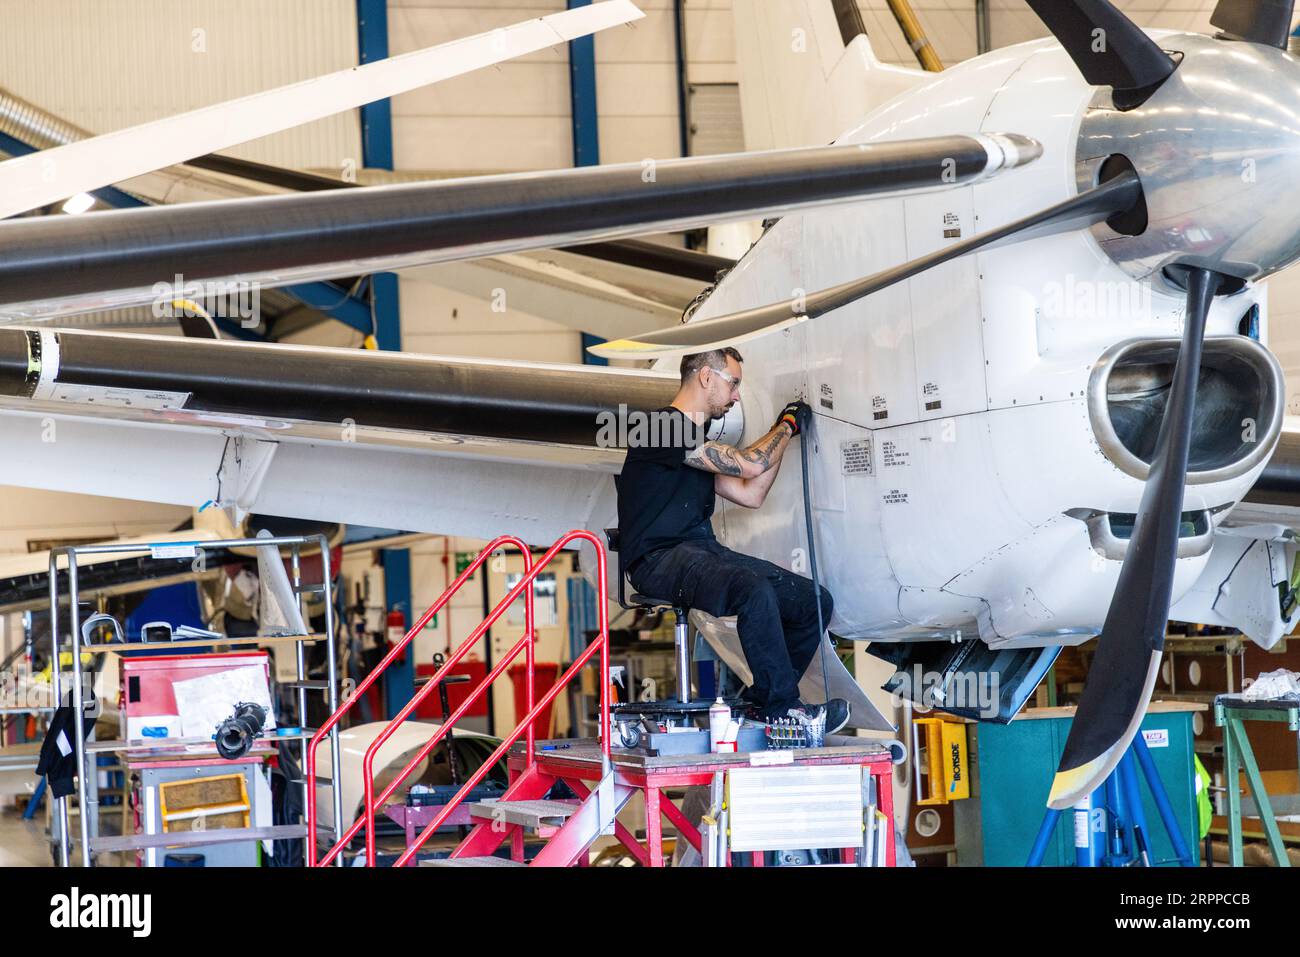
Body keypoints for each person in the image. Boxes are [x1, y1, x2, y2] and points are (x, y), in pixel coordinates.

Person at [614, 346, 848, 736]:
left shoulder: (694, 444)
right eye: (733, 383)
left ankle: (765, 702)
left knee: (814, 601)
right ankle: (784, 709)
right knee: (752, 590)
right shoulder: (661, 428)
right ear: (706, 377)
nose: (737, 395)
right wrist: (785, 426)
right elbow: (751, 463)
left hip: (700, 552)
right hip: (657, 559)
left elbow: (751, 493)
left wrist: (783, 441)